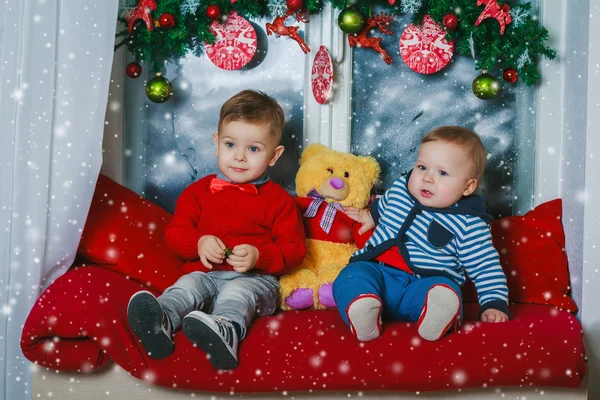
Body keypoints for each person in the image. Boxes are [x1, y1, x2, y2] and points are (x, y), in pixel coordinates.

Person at [127, 90, 306, 369]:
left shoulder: (279, 200)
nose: (240, 157)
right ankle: (160, 321)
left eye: (254, 149)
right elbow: (174, 234)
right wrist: (198, 243)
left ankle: (226, 331)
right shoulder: (198, 193)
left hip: (256, 282)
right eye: (231, 144)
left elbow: (294, 250)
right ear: (216, 144)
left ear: (274, 155)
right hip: (205, 275)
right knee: (186, 286)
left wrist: (260, 256)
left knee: (238, 295)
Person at [333, 126, 509, 343]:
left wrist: (494, 303)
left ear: (468, 187)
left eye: (442, 173)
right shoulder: (401, 189)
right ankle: (362, 309)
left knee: (445, 290)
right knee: (351, 275)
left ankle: (436, 314)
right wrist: (369, 216)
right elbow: (384, 206)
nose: (427, 178)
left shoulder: (470, 223)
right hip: (378, 271)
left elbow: (485, 267)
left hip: (422, 283)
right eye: (422, 167)